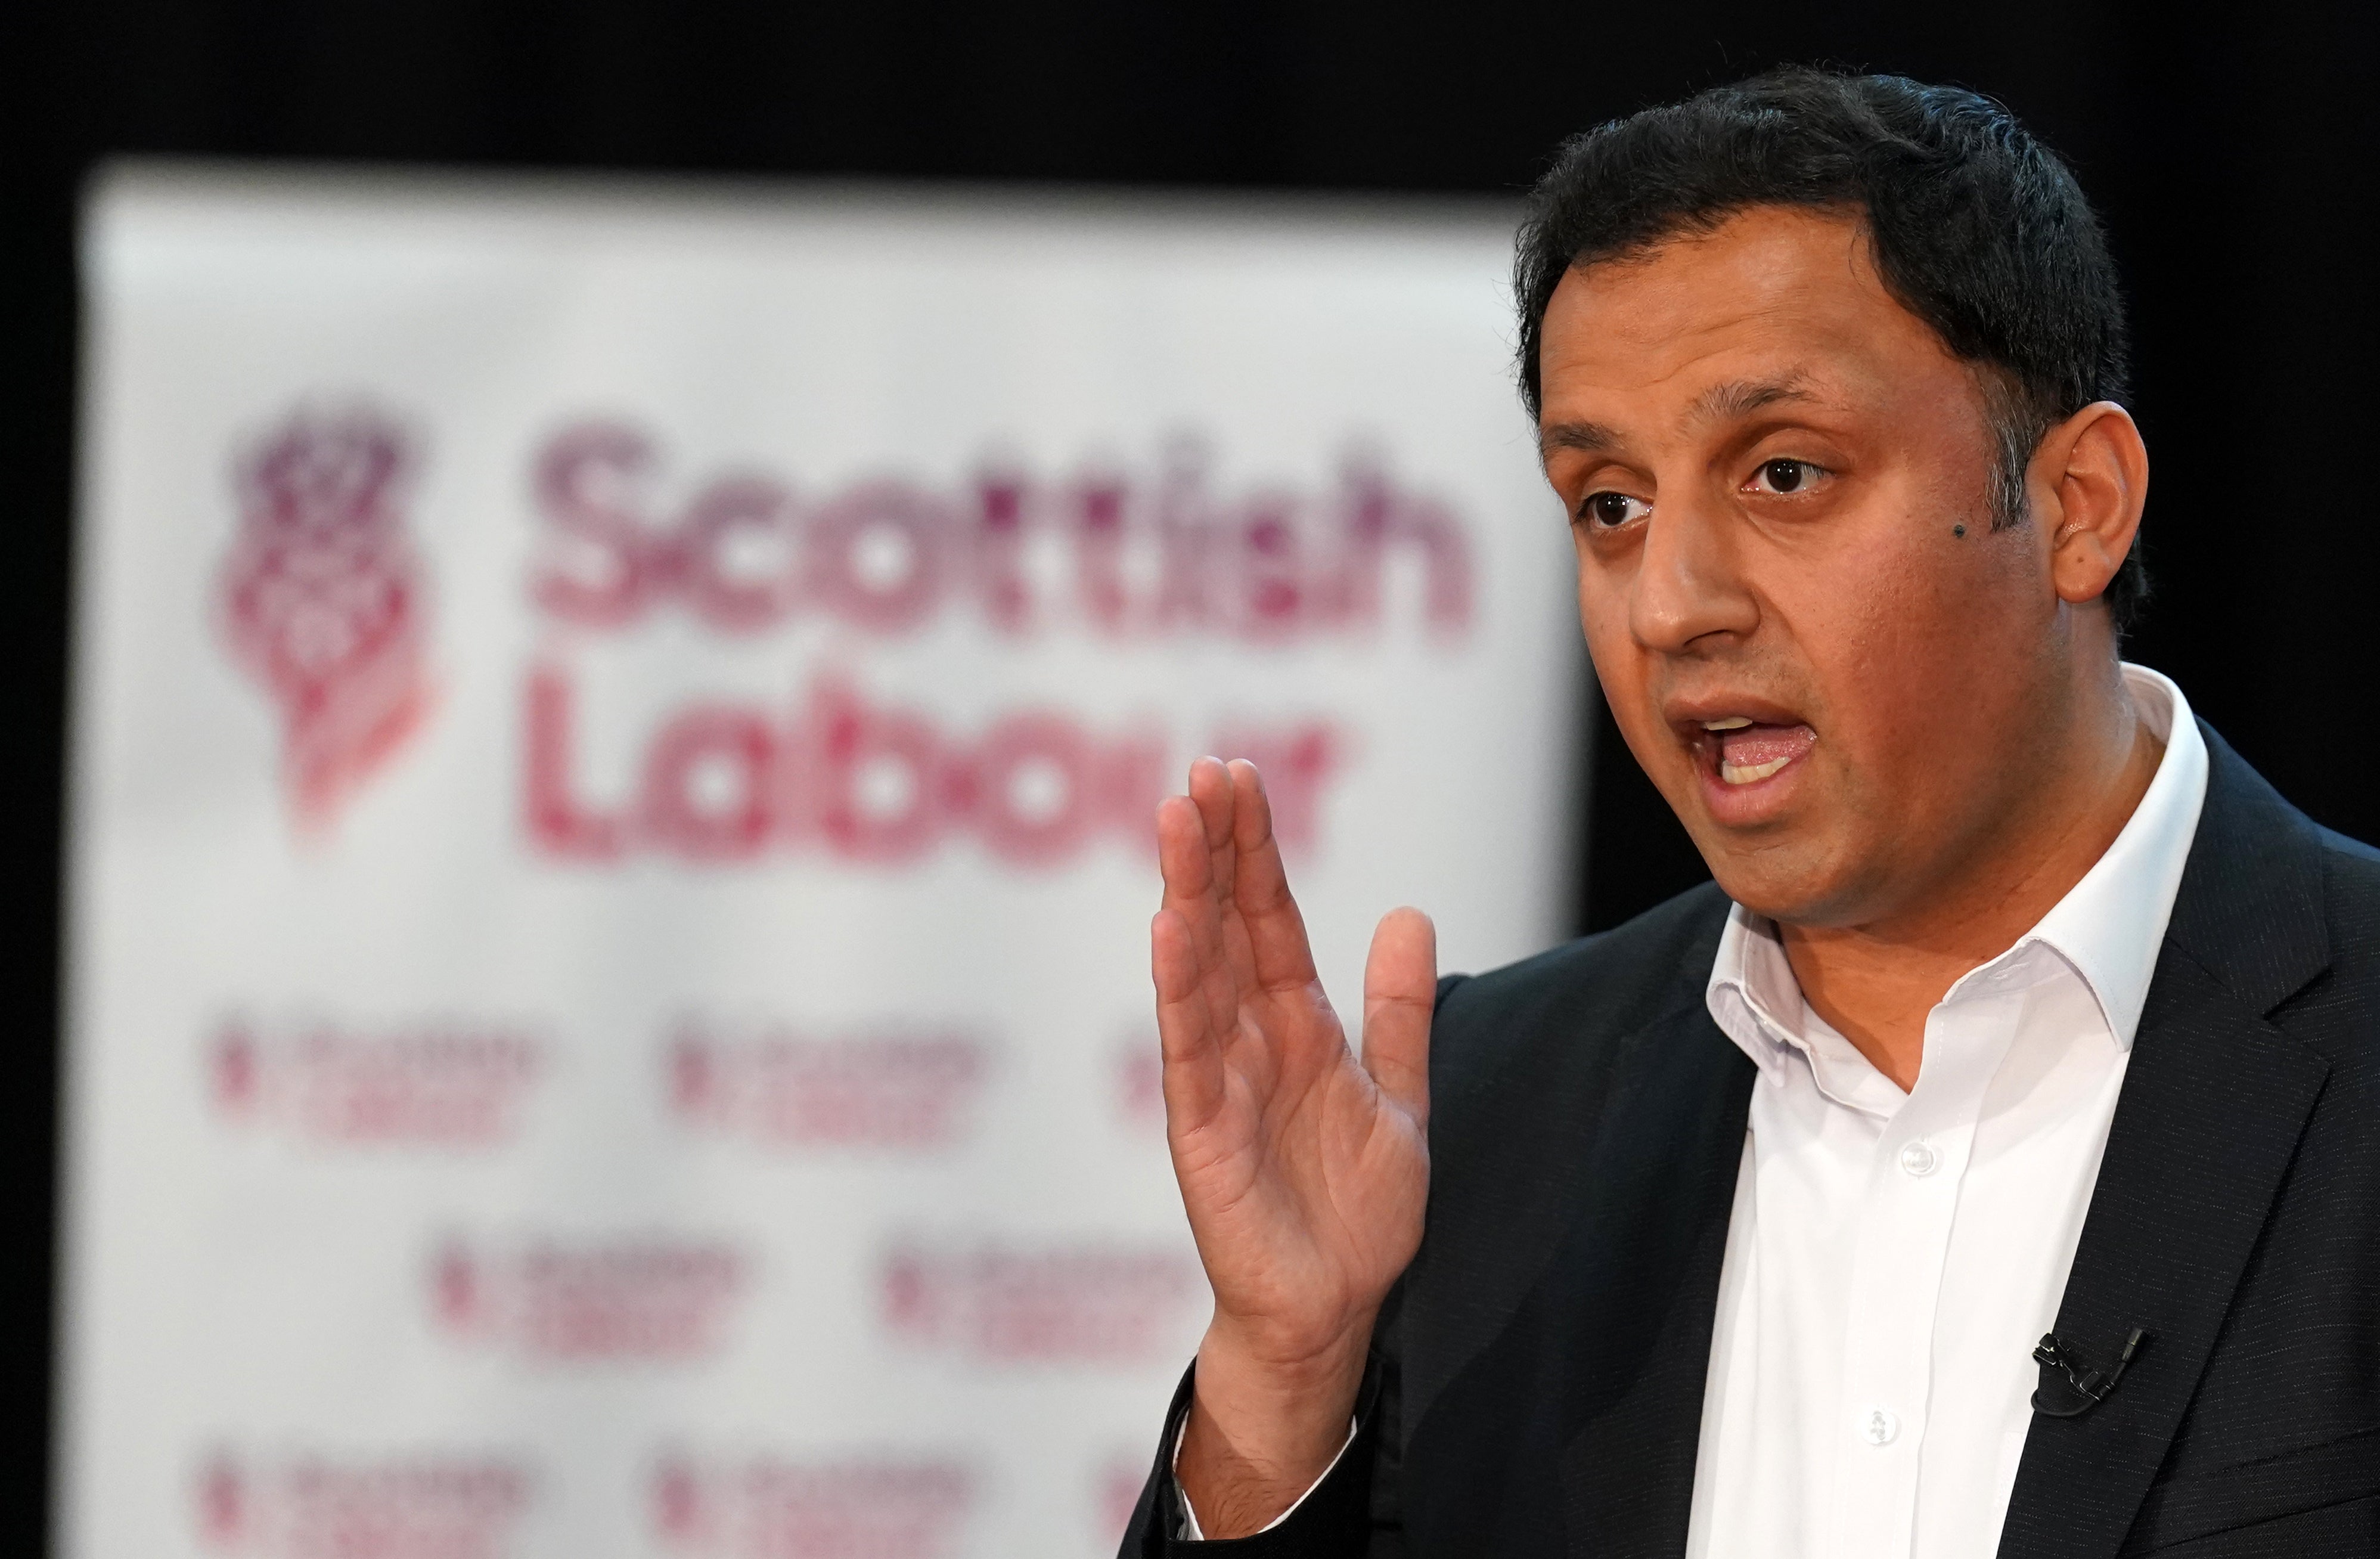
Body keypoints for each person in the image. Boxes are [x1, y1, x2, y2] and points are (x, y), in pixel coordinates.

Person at [1116, 68, 2380, 1559]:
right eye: (1609, 505)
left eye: (1783, 473)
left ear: (2079, 505)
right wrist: (1283, 1390)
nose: (1669, 606)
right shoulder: (1483, 1123)